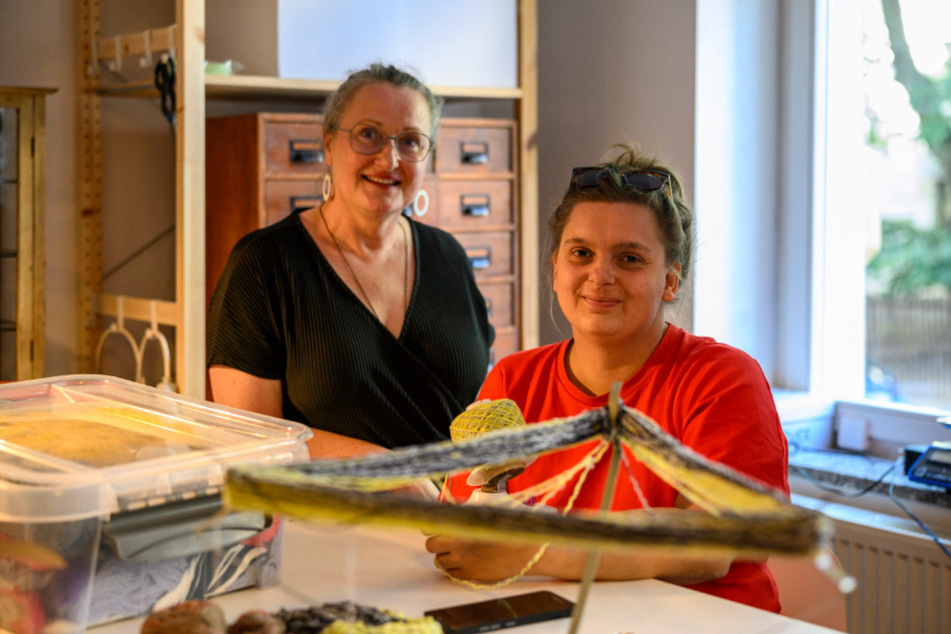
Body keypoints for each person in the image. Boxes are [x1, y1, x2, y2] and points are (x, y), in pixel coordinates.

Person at [426, 146, 789, 612]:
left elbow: (709, 546)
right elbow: (467, 526)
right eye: (581, 253)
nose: (600, 275)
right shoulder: (511, 381)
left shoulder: (721, 378)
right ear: (556, 269)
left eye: (630, 259)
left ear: (670, 281)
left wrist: (532, 550)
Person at [207, 63, 493, 461]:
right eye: (368, 135)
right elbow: (254, 444)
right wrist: (393, 479)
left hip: (459, 514)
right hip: (331, 518)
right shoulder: (263, 266)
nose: (389, 159)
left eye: (410, 141)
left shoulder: (450, 257)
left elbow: (482, 408)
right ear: (328, 143)